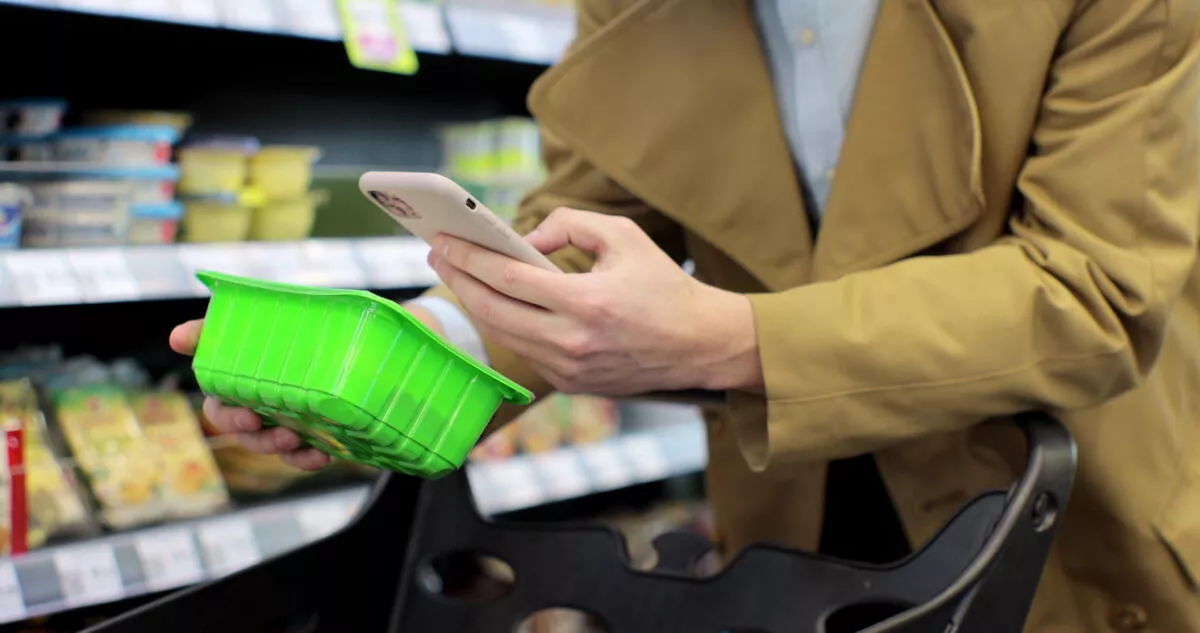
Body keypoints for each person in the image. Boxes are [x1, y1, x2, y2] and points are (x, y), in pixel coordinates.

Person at [171, 0, 1200, 630]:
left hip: (1064, 504)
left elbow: (1089, 289)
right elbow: (591, 221)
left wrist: (733, 338)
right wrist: (415, 359)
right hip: (789, 514)